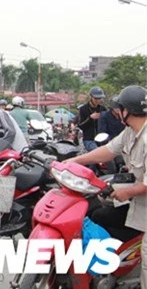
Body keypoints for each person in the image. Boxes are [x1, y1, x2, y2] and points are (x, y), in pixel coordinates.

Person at [66, 85, 147, 287]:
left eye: (120, 109)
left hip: (141, 199)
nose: (117, 112)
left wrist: (126, 192)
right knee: (98, 213)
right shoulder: (131, 132)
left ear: (127, 110)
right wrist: (73, 162)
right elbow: (108, 151)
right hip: (140, 203)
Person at [77, 86, 108, 152]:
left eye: (99, 98)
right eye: (96, 98)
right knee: (97, 152)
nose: (98, 100)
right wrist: (90, 118)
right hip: (89, 139)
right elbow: (80, 125)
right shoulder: (83, 109)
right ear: (91, 97)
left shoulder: (103, 109)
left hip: (102, 139)